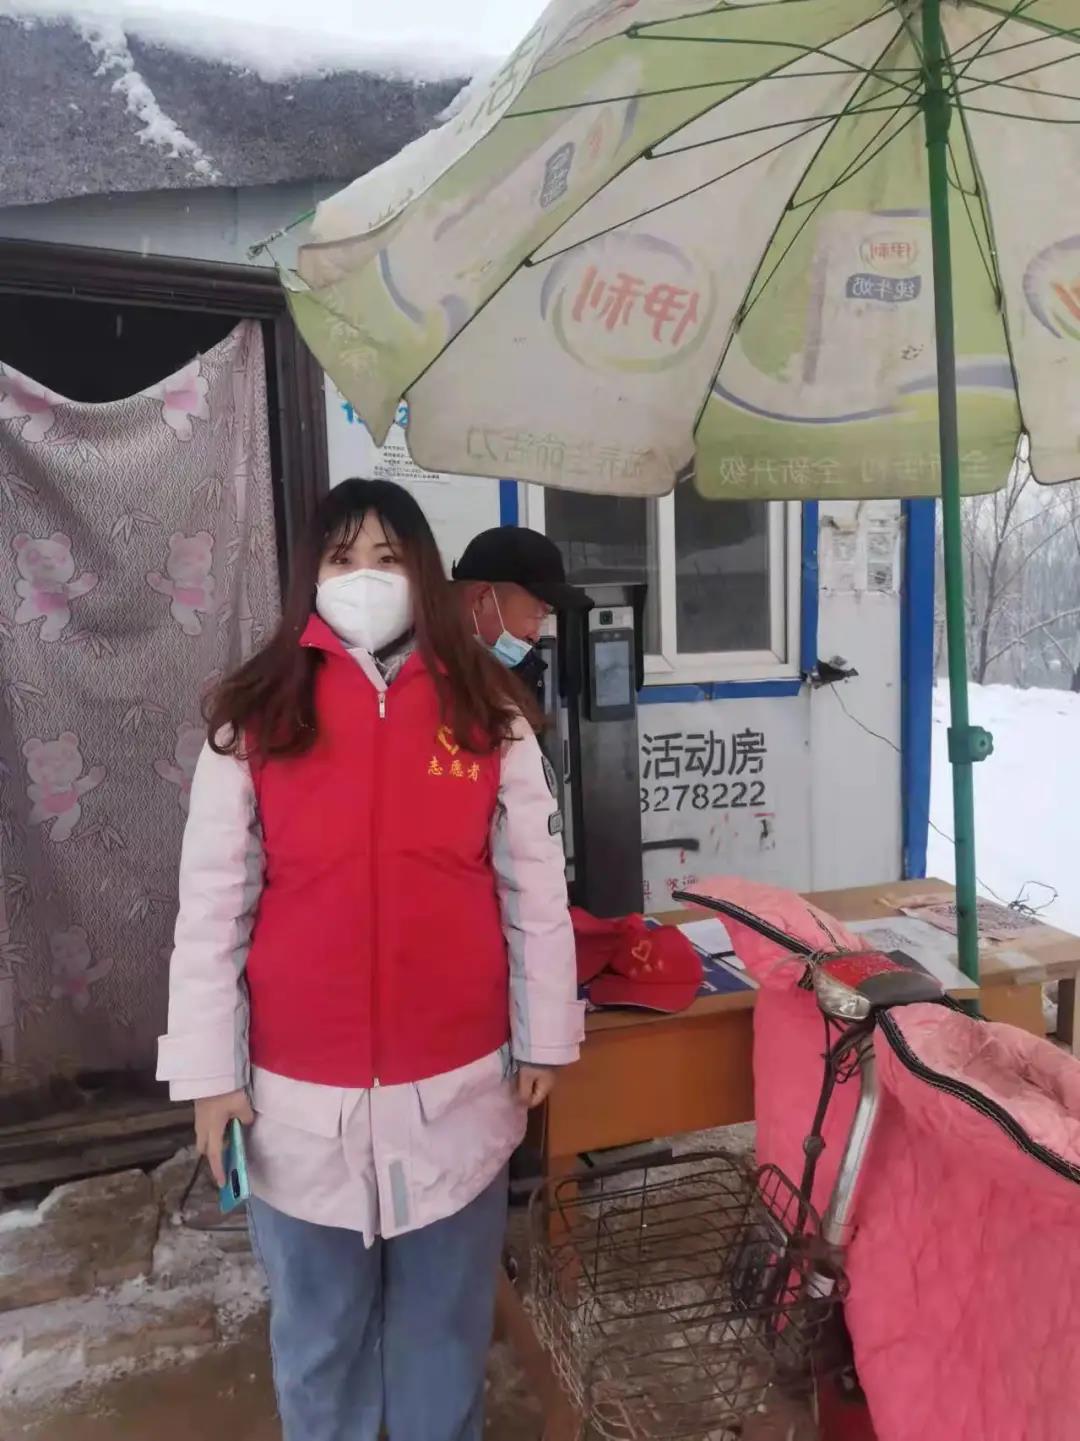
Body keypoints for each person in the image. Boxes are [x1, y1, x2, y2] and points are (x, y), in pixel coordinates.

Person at [157, 479, 583, 1441]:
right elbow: (213, 908)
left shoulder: (489, 712)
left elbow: (533, 891)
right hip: (299, 1109)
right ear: (309, 574)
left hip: (457, 1096)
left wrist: (545, 1034)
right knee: (321, 1346)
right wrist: (210, 1075)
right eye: (343, 557)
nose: (364, 578)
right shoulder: (255, 715)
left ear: (423, 574)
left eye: (388, 558)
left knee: (443, 1345)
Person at [452, 525, 589, 700]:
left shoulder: (504, 677)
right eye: (536, 614)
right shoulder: (428, 683)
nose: (536, 636)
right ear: (481, 599)